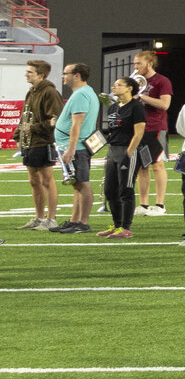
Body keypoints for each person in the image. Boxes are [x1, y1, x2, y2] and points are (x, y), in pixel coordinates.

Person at [93, 76, 146, 240]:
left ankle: (126, 227)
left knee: (126, 189)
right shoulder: (113, 107)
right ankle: (116, 225)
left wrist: (128, 154)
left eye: (118, 85)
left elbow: (138, 133)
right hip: (113, 150)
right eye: (114, 84)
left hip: (127, 151)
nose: (114, 87)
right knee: (110, 190)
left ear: (130, 88)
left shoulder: (136, 107)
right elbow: (113, 129)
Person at [53, 62, 101, 235]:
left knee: (83, 183)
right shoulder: (85, 93)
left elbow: (77, 124)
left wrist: (71, 149)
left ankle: (83, 223)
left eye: (66, 73)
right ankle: (75, 220)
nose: (62, 76)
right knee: (77, 184)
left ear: (77, 75)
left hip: (76, 147)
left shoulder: (81, 95)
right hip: (76, 145)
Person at [16, 61, 61, 233]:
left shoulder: (49, 92)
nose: (26, 74)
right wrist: (17, 134)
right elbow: (25, 116)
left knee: (46, 180)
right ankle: (39, 217)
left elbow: (55, 119)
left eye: (30, 72)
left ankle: (51, 219)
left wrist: (33, 128)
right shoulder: (31, 92)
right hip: (31, 142)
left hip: (44, 141)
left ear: (40, 75)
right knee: (34, 181)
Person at [130, 47, 173, 217]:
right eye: (134, 63)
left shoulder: (162, 81)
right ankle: (143, 204)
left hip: (156, 127)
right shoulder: (134, 81)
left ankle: (160, 204)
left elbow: (164, 105)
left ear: (149, 63)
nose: (135, 67)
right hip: (138, 128)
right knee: (142, 166)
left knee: (157, 164)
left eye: (139, 63)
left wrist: (141, 97)